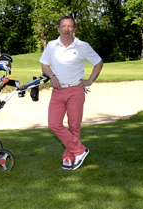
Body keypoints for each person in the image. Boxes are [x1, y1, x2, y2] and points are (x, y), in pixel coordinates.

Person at [40, 15, 103, 170]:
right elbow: (45, 65)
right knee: (54, 124)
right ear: (58, 28)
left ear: (74, 29)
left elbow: (98, 63)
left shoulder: (82, 46)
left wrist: (89, 81)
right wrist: (52, 76)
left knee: (74, 126)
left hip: (76, 90)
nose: (66, 29)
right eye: (64, 26)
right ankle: (80, 150)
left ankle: (69, 156)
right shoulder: (52, 45)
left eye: (70, 26)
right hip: (57, 91)